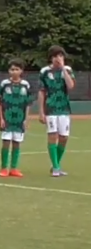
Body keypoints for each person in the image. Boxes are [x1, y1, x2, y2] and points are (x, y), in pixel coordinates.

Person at [39, 45, 75, 177]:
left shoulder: (68, 70)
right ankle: (55, 167)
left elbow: (71, 86)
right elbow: (41, 91)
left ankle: (57, 164)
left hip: (64, 108)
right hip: (50, 108)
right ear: (51, 58)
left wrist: (63, 69)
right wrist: (41, 111)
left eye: (60, 56)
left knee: (64, 137)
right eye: (55, 56)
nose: (58, 59)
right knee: (52, 136)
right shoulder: (44, 72)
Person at [0, 59, 34, 178]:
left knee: (17, 143)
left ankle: (14, 168)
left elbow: (28, 103)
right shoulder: (4, 84)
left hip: (19, 119)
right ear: (9, 71)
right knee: (6, 143)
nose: (14, 72)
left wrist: (26, 119)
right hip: (7, 118)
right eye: (12, 69)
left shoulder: (26, 85)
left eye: (17, 69)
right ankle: (4, 168)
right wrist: (1, 118)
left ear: (21, 71)